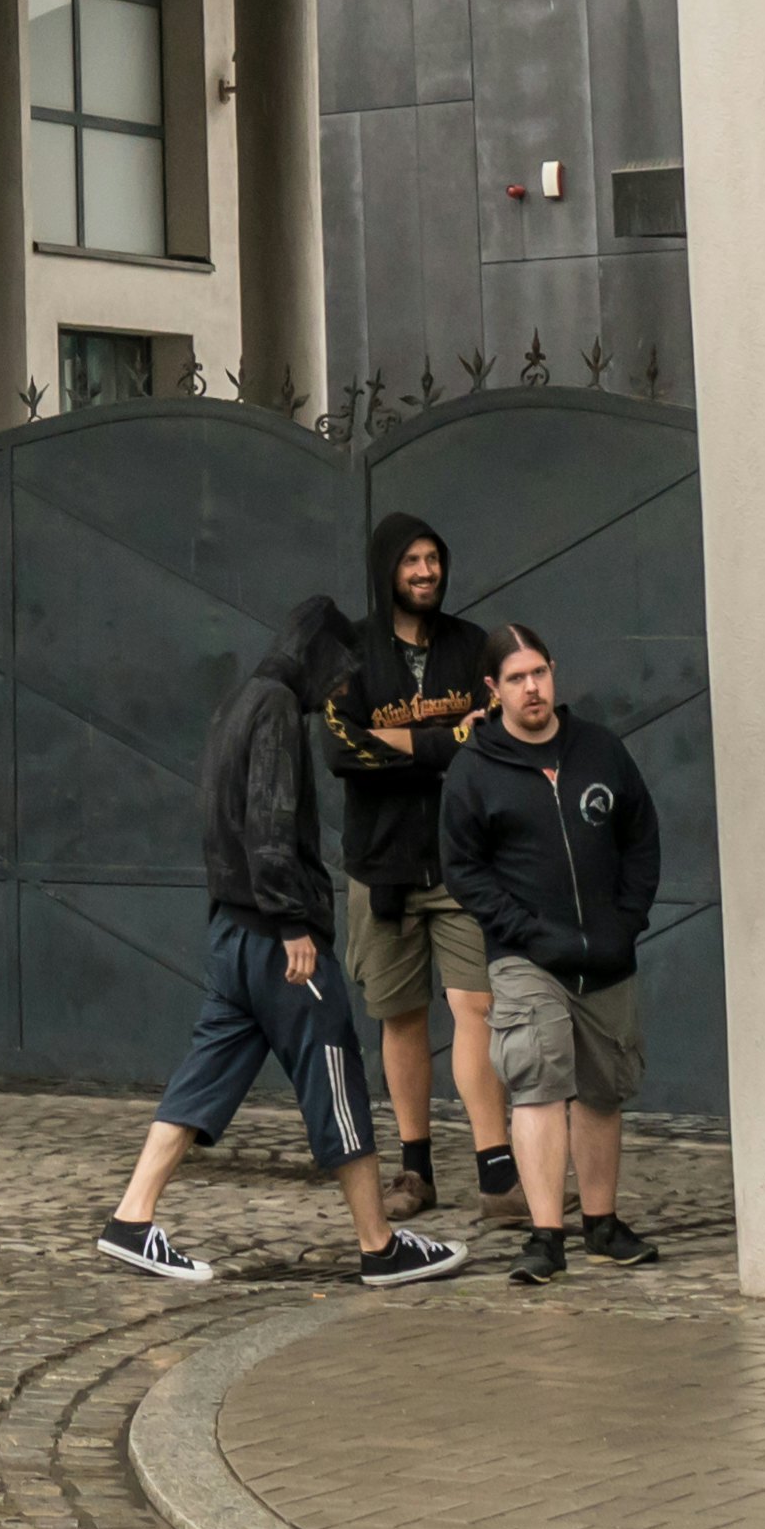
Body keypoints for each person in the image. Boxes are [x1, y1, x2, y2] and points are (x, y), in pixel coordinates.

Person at [92, 601, 460, 1291]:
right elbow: (268, 818)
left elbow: (217, 821)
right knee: (334, 1073)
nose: (341, 691)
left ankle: (130, 1219)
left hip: (233, 932)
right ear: (319, 656)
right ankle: (379, 1245)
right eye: (341, 674)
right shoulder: (274, 712)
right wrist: (293, 922)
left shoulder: (235, 702)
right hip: (276, 937)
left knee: (204, 1075)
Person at [434, 622, 666, 1283]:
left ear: (552, 673)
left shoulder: (600, 750)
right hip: (526, 956)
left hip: (606, 952)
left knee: (603, 1090)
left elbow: (640, 836)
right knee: (536, 1083)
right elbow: (464, 869)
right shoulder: (474, 770)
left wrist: (628, 920)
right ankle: (545, 1235)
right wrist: (522, 931)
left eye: (538, 673)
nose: (531, 688)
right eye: (515, 678)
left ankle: (601, 1223)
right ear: (492, 689)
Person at [315, 510, 509, 1219]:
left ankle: (497, 1176)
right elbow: (341, 751)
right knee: (400, 1018)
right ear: (386, 571)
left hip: (464, 862)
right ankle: (415, 1171)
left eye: (432, 559)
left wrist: (398, 742)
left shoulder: (471, 646)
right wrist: (443, 743)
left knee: (476, 1008)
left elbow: (491, 742)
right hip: (382, 865)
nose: (424, 571)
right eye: (410, 562)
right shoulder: (351, 654)